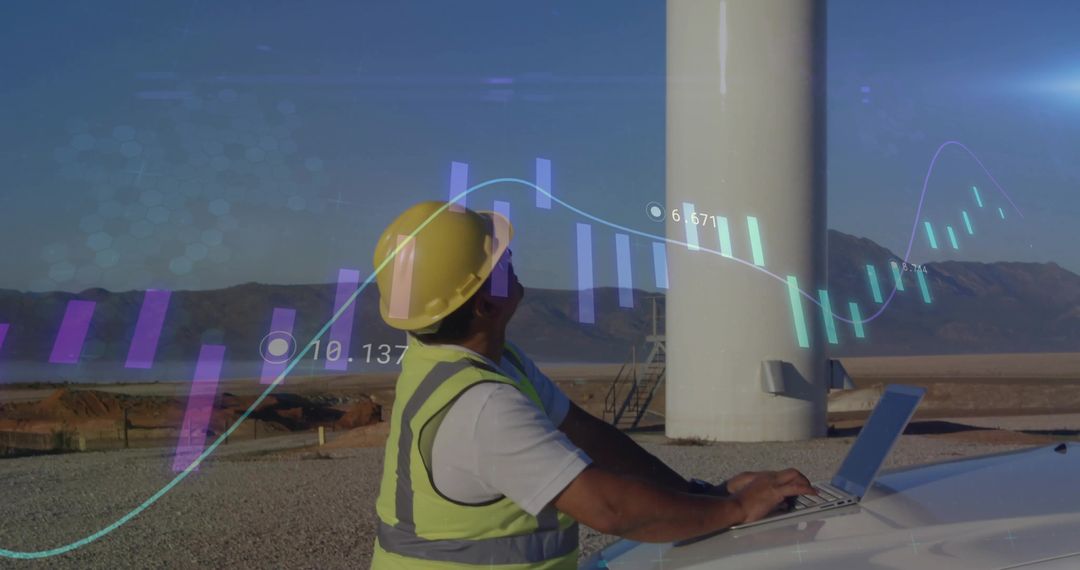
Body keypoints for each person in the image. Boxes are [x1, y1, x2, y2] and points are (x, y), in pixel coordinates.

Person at [370, 201, 815, 569]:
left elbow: (586, 434)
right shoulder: (484, 404)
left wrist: (698, 495)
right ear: (485, 303)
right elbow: (610, 509)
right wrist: (736, 511)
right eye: (497, 260)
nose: (509, 258)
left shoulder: (478, 363)